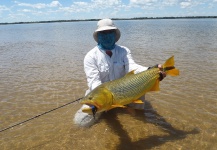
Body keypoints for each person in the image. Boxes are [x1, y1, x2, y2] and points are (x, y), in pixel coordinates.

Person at [74, 18, 166, 127]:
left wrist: (152, 70)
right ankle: (110, 110)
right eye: (103, 33)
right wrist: (106, 102)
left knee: (140, 111)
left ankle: (133, 113)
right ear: (98, 37)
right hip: (100, 95)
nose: (107, 36)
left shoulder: (124, 51)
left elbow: (132, 67)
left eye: (110, 32)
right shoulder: (90, 56)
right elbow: (94, 83)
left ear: (115, 35)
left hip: (125, 90)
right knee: (80, 123)